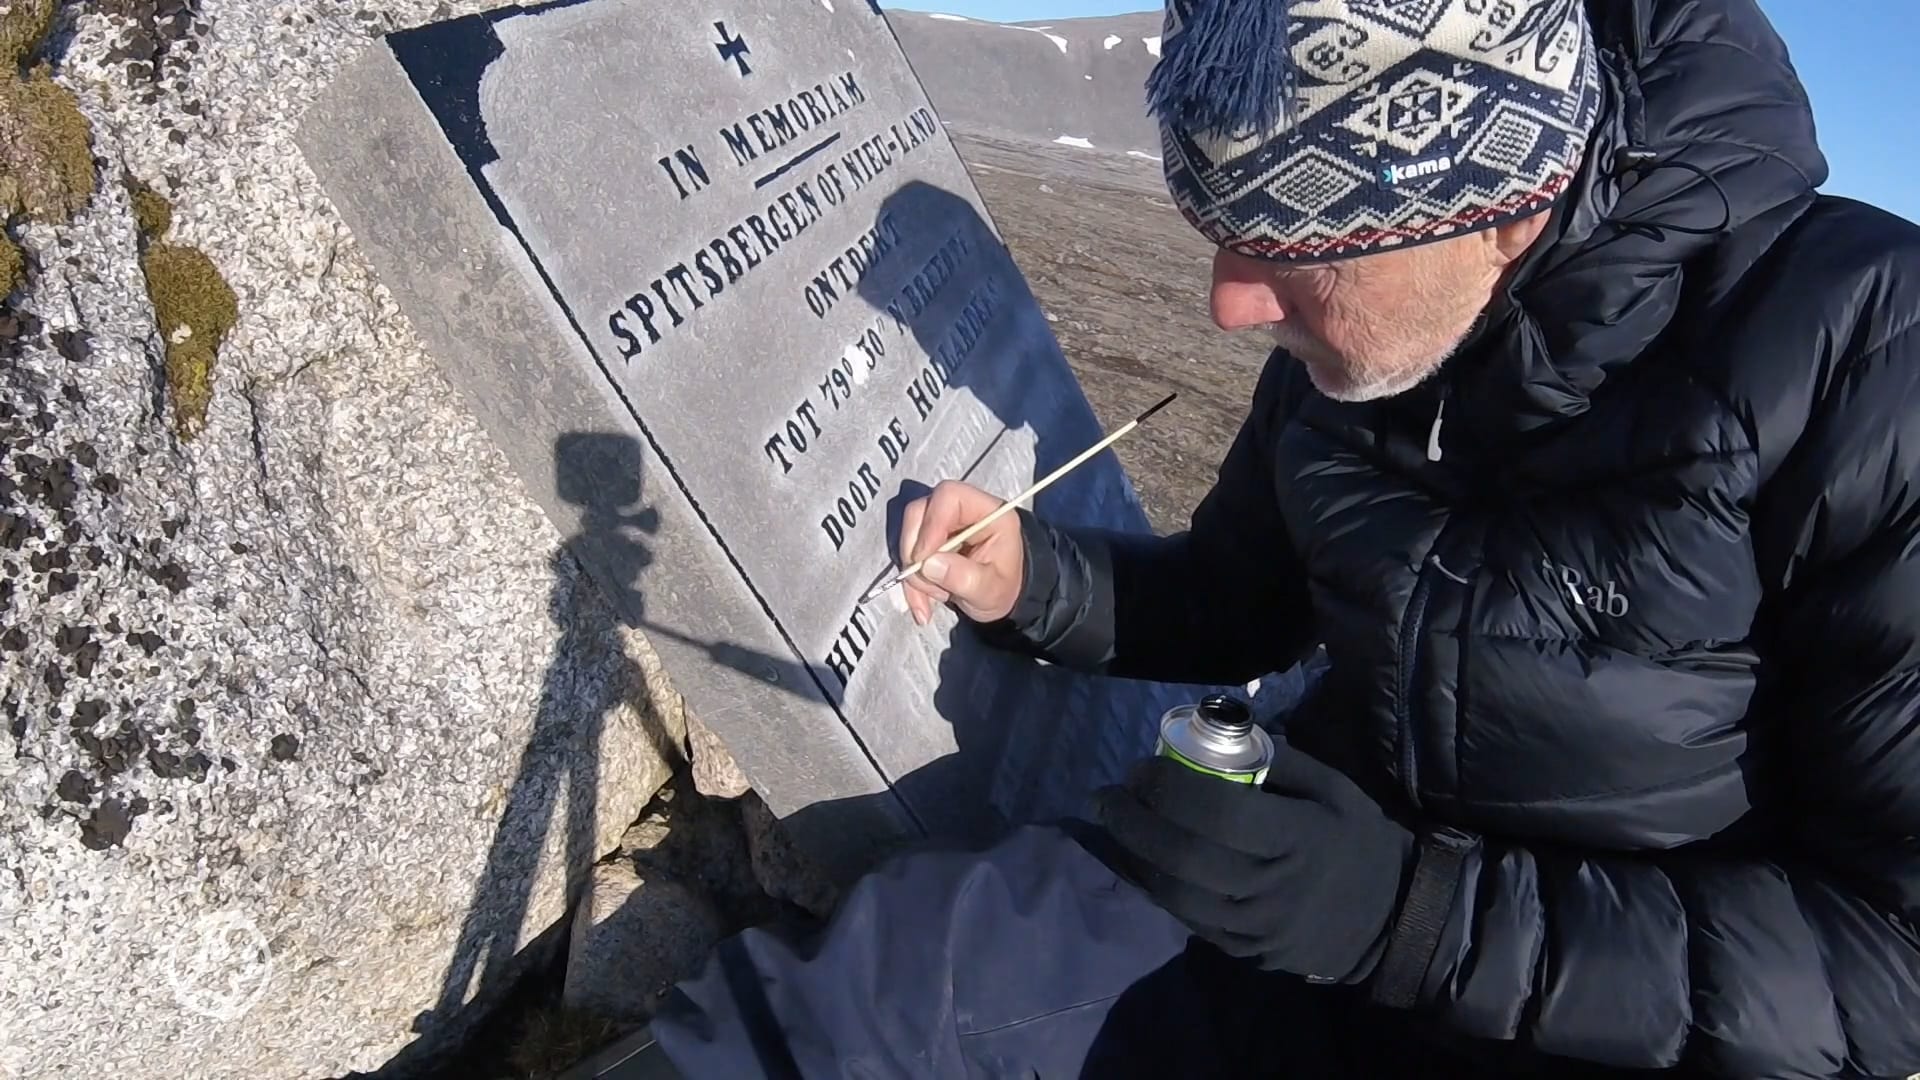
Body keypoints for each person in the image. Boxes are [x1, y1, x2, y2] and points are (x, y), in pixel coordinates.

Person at [647, 0, 1920, 1075]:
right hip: (1301, 883)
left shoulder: (1866, 357)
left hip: (1623, 1014)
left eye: (1292, 244)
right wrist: (1047, 581)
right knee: (848, 1010)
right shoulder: (1358, 359)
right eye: (1223, 234)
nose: (1228, 303)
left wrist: (1414, 921)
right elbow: (1245, 596)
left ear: (1497, 207)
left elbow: (1893, 958)